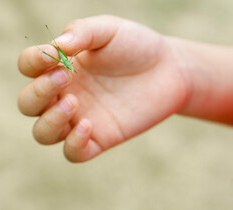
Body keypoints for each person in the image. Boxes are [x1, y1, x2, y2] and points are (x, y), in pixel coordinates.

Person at [17, 15, 233, 163]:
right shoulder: (69, 63)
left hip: (66, 62)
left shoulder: (70, 65)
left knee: (60, 63)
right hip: (60, 59)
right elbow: (67, 57)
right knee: (49, 56)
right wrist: (175, 65)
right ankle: (36, 43)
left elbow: (69, 60)